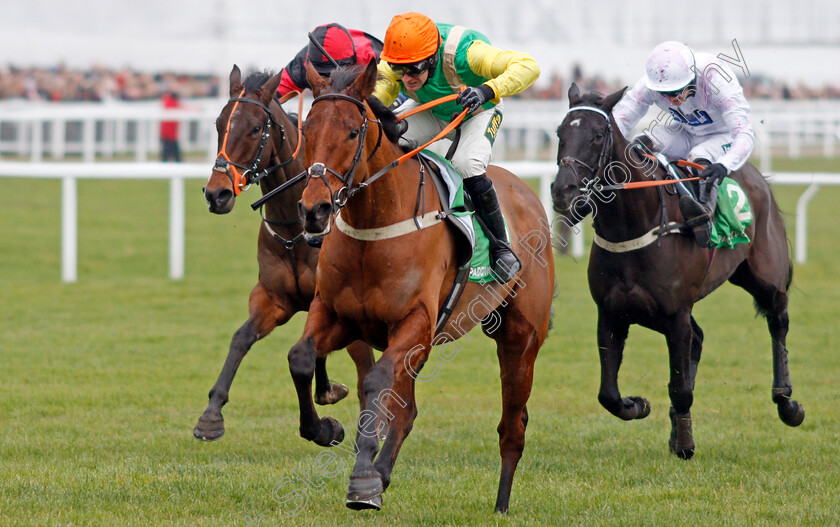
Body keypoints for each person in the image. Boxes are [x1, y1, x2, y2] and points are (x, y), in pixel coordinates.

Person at [372, 12, 540, 283]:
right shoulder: (399, 58)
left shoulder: (467, 53)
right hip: (432, 110)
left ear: (433, 58)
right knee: (384, 146)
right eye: (401, 71)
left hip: (479, 111)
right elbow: (376, 97)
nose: (407, 80)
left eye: (414, 70)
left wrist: (487, 90)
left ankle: (502, 246)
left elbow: (528, 65)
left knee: (466, 164)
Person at [612, 41, 755, 246]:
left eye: (677, 92)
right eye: (665, 94)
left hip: (723, 136)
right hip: (686, 131)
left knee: (698, 154)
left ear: (692, 79)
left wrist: (726, 164)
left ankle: (705, 216)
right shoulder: (654, 82)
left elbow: (743, 132)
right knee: (641, 143)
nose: (671, 99)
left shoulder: (716, 78)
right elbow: (621, 119)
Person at [275, 23, 383, 97]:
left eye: (331, 75)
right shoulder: (302, 66)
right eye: (322, 75)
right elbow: (269, 95)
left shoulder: (373, 59)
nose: (327, 82)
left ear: (351, 62)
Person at [160, 91, 181, 162]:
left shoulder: (167, 102)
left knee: (166, 155)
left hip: (166, 134)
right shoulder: (172, 104)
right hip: (170, 135)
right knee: (174, 155)